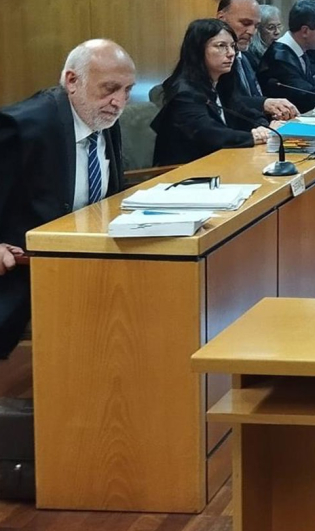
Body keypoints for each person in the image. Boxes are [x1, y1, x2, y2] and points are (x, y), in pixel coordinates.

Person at [0, 40, 137, 357]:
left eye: (127, 91)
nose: (119, 102)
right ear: (72, 81)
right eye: (110, 89)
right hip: (25, 263)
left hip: (88, 254)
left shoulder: (102, 118)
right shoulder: (24, 126)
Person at [151, 19, 278, 166]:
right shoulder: (184, 93)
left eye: (232, 46)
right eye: (221, 46)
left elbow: (246, 114)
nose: (231, 53)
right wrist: (254, 137)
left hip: (220, 162)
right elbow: (210, 134)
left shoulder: (222, 84)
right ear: (198, 50)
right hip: (186, 171)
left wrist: (264, 127)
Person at [217, 0, 299, 122]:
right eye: (245, 23)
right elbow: (227, 102)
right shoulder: (213, 61)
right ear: (222, 19)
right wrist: (264, 104)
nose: (252, 32)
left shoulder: (246, 58)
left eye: (256, 26)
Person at [245, 3, 282, 70]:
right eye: (271, 27)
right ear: (258, 30)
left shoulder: (279, 53)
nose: (277, 32)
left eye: (279, 26)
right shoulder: (250, 57)